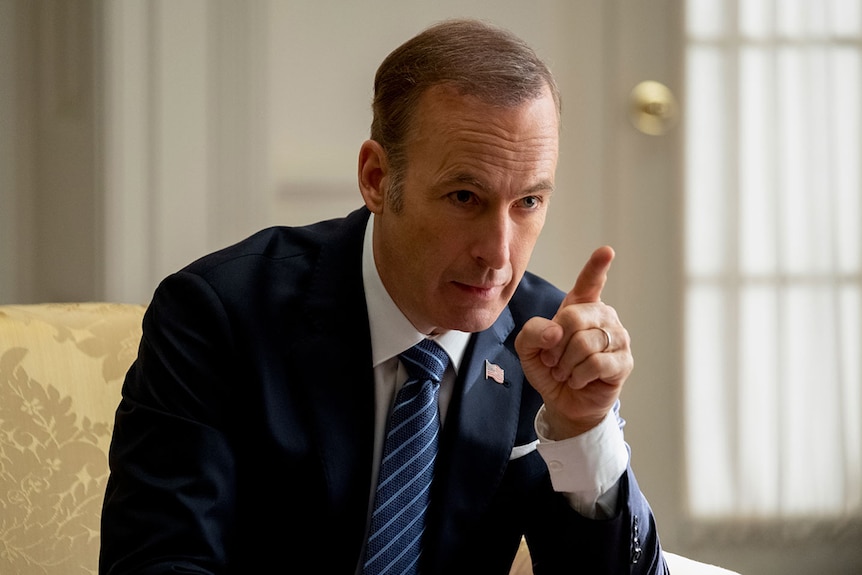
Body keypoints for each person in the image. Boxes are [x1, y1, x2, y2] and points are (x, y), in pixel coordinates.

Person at [99, 18, 667, 575]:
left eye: (528, 203)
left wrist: (584, 433)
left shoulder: (547, 343)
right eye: (465, 196)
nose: (499, 254)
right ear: (376, 178)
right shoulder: (217, 316)